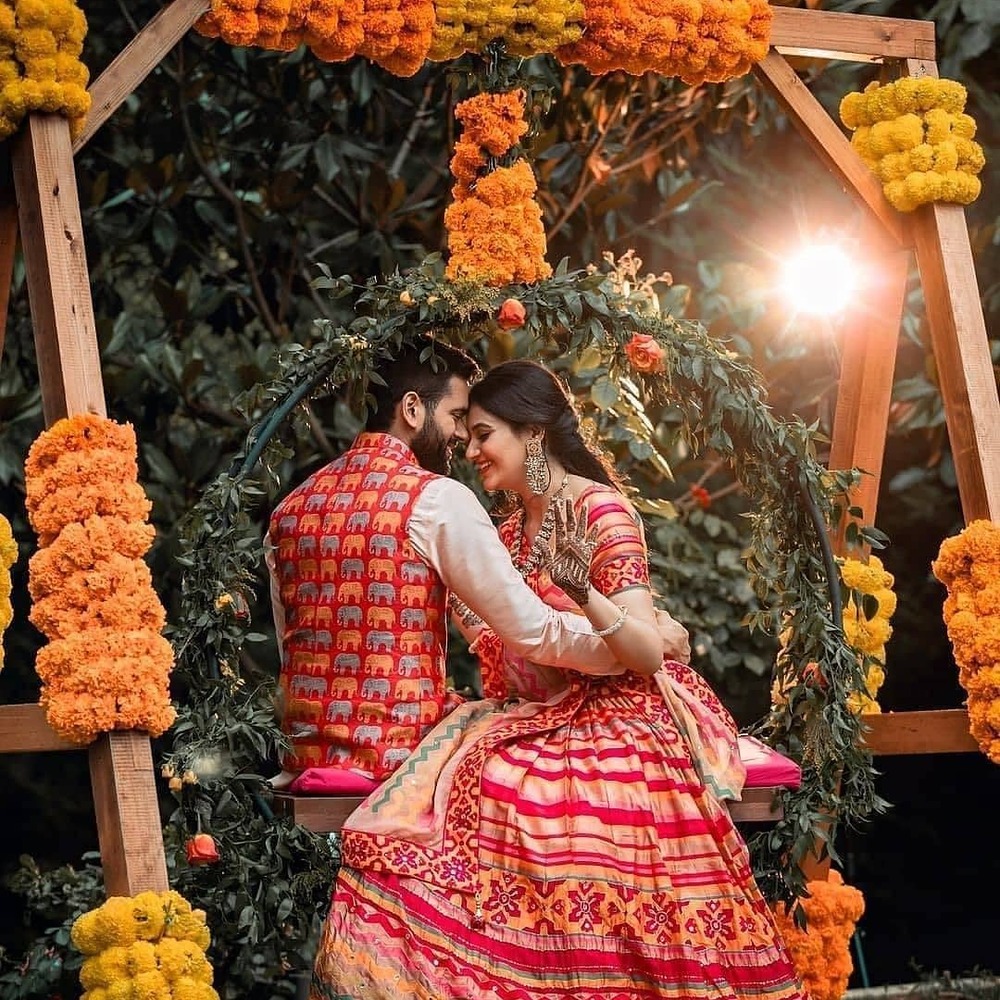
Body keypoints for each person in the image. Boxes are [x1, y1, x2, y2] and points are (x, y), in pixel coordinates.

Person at [310, 358, 805, 1000]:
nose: (471, 448)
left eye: (484, 433)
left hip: (621, 711)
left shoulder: (601, 511)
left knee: (547, 811)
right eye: (469, 429)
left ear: (533, 435)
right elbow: (508, 636)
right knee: (431, 805)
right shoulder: (509, 528)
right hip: (535, 712)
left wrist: (581, 591)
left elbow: (646, 655)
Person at [267, 343, 688, 796]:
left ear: (532, 434)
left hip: (301, 750)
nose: (462, 444)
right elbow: (530, 631)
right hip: (402, 751)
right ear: (412, 409)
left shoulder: (291, 505)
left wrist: (627, 635)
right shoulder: (436, 499)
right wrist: (638, 642)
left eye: (479, 432)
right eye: (456, 419)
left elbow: (286, 638)